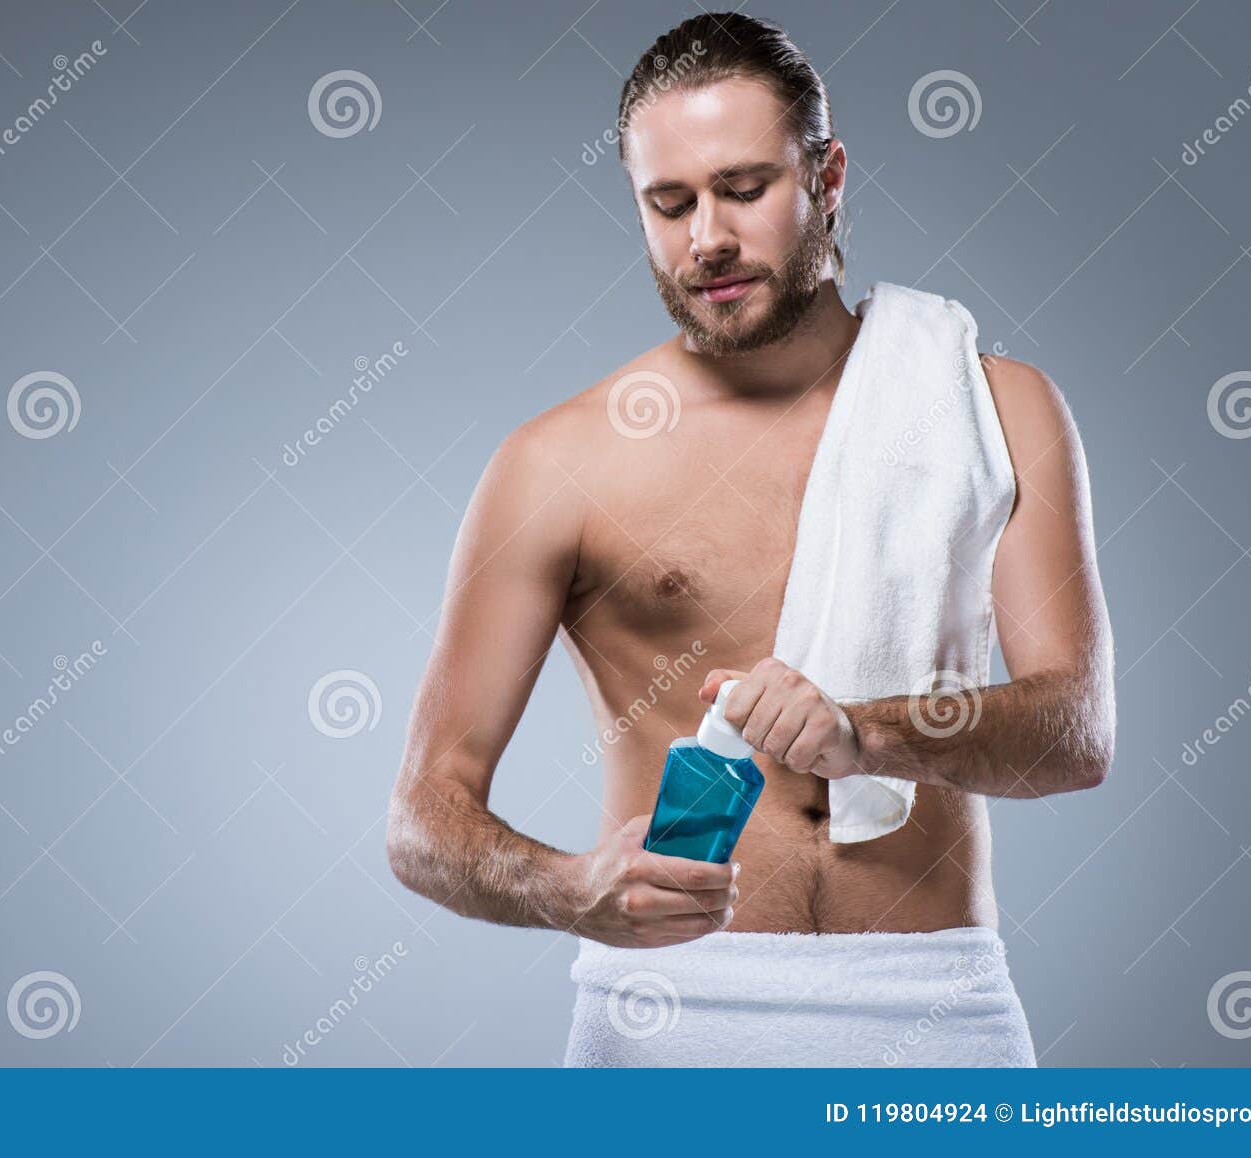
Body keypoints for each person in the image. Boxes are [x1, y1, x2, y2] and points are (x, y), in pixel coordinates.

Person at [385, 12, 1114, 1067]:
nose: (706, 240)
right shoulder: (559, 462)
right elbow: (423, 816)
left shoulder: (989, 406)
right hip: (669, 1013)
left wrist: (866, 736)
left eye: (742, 188)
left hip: (935, 1007)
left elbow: (1077, 733)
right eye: (668, 203)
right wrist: (567, 889)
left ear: (825, 177)